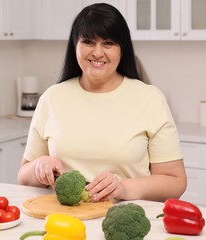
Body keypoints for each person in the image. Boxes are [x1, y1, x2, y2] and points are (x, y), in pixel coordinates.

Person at [17, 3, 187, 202]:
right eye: (89, 42)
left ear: (122, 49)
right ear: (75, 46)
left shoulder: (149, 98)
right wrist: (38, 167)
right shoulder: (51, 98)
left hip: (124, 218)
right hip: (62, 221)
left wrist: (124, 188)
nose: (97, 53)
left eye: (108, 43)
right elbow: (23, 177)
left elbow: (175, 181)